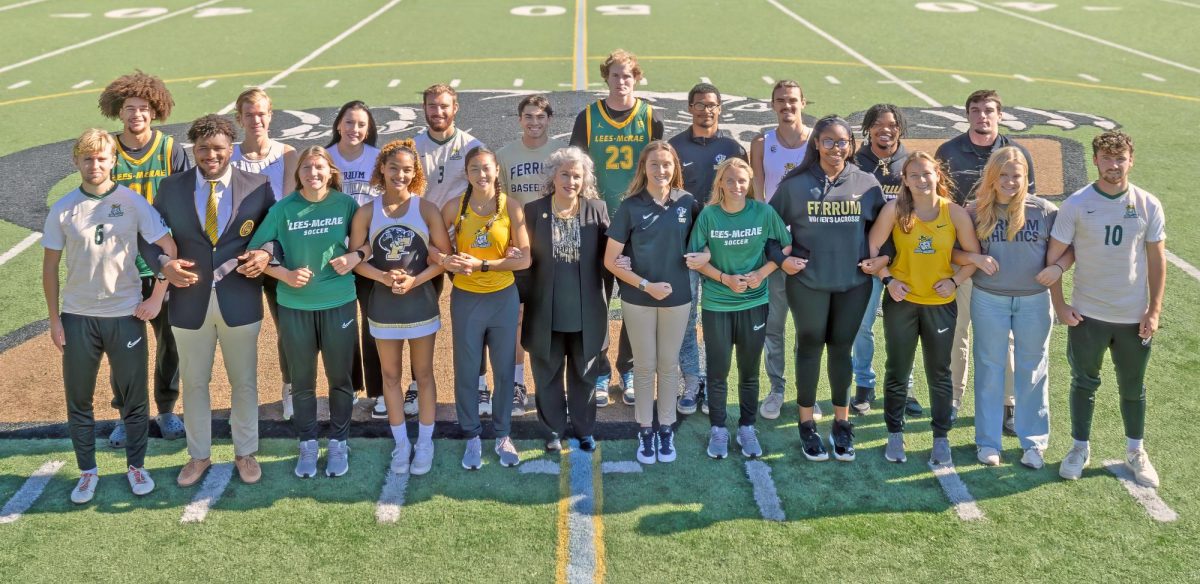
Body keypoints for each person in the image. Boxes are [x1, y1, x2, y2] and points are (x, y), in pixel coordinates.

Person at [44, 129, 177, 503]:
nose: (95, 164)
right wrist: (55, 320)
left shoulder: (132, 203)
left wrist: (158, 294)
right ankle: (87, 471)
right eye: (88, 158)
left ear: (113, 160)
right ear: (76, 162)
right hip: (78, 317)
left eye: (102, 158)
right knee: (79, 399)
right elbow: (50, 268)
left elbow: (168, 246)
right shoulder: (64, 208)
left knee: (135, 400)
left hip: (125, 315)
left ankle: (136, 465)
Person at [148, 114, 275, 488]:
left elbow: (274, 231)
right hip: (189, 300)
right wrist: (163, 263)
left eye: (218, 148)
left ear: (231, 149)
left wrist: (266, 253)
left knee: (244, 381)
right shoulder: (171, 188)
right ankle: (198, 456)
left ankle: (245, 452)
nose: (210, 155)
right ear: (194, 150)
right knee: (195, 382)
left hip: (240, 298)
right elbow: (147, 235)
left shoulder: (259, 185)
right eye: (203, 148)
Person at [1049, 131, 1164, 489]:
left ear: (1131, 160)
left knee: (1133, 387)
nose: (1114, 165)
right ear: (1095, 160)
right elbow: (1053, 259)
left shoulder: (1147, 204)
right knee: (1084, 383)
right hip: (1088, 314)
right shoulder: (1077, 203)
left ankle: (1135, 451)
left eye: (1121, 158)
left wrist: (1154, 310)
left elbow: (1157, 261)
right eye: (1107, 158)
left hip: (1133, 316)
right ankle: (1079, 448)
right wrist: (1060, 304)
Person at [766, 116, 883, 463]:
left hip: (853, 284)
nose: (836, 149)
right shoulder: (795, 184)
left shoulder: (867, 183)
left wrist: (884, 258)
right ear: (816, 143)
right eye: (829, 141)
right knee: (810, 346)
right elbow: (768, 230)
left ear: (851, 145)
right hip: (808, 284)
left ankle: (841, 424)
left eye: (843, 142)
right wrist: (781, 259)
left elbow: (887, 231)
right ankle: (806, 424)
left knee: (842, 350)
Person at [249, 145, 361, 478]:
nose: (313, 174)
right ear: (297, 174)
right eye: (306, 168)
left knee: (341, 379)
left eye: (319, 168)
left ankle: (339, 442)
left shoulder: (346, 205)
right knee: (302, 381)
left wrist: (354, 257)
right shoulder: (283, 209)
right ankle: (308, 443)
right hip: (294, 305)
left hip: (338, 301)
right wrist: (284, 274)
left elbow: (363, 246)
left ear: (331, 172)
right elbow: (255, 251)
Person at [862, 151, 980, 466]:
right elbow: (871, 249)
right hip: (902, 303)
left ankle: (940, 438)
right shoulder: (895, 210)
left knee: (939, 373)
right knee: (898, 370)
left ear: (937, 175)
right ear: (905, 180)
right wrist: (888, 279)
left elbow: (972, 256)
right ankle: (895, 433)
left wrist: (955, 282)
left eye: (926, 173)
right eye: (914, 175)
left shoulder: (954, 212)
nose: (921, 180)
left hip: (940, 305)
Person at [98, 70, 191, 447]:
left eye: (143, 108)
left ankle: (166, 409)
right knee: (123, 347)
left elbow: (186, 207)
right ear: (119, 112)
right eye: (129, 108)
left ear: (155, 112)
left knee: (171, 343)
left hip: (165, 263)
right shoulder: (108, 150)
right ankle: (127, 413)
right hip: (119, 267)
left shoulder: (170, 150)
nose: (136, 114)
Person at [955, 147, 1064, 468]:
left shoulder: (1044, 210)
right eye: (1002, 175)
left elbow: (1067, 251)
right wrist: (975, 258)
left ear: (1026, 178)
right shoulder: (974, 211)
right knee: (989, 369)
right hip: (989, 299)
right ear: (992, 176)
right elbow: (953, 253)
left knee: (1034, 369)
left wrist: (1057, 270)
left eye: (1016, 176)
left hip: (1034, 300)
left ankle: (1034, 443)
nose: (1009, 182)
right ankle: (987, 442)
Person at [935, 89, 1035, 430]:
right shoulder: (948, 151)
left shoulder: (1017, 153)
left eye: (989, 110)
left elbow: (1027, 206)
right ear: (967, 115)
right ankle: (952, 398)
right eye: (976, 110)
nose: (983, 116)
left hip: (1003, 260)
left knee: (1002, 337)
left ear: (1000, 115)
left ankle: (1008, 404)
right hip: (960, 259)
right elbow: (940, 205)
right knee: (957, 332)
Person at [349, 139, 450, 475]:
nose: (400, 175)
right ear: (382, 169)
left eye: (407, 169)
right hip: (383, 308)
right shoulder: (366, 211)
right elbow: (356, 260)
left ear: (415, 173)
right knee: (390, 377)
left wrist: (414, 281)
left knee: (423, 375)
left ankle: (425, 441)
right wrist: (381, 276)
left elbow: (443, 259)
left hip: (420, 304)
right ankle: (401, 444)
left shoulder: (427, 210)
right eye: (394, 168)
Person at [570, 49, 664, 407]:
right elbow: (577, 171)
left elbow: (661, 168)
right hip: (596, 224)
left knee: (635, 302)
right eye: (615, 75)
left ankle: (627, 367)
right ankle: (599, 371)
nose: (621, 81)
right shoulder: (589, 117)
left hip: (638, 225)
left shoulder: (651, 116)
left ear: (636, 77)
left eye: (627, 75)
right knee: (596, 300)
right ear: (605, 78)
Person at [603, 141, 700, 465]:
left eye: (667, 164)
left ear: (675, 168)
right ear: (644, 168)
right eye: (654, 164)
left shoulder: (687, 202)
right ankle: (646, 429)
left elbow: (705, 245)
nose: (661, 170)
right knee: (644, 366)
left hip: (677, 298)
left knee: (668, 364)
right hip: (638, 298)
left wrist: (706, 256)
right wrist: (646, 285)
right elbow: (611, 259)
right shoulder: (630, 206)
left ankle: (666, 427)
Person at [688, 158, 787, 459]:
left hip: (754, 303)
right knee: (718, 372)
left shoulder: (764, 212)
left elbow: (785, 248)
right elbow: (695, 259)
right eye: (729, 180)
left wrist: (761, 274)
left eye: (742, 181)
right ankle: (718, 429)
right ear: (720, 183)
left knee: (749, 372)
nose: (736, 186)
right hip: (718, 304)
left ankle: (746, 427)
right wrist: (724, 278)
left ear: (750, 183)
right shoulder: (708, 215)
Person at [439, 146, 531, 470]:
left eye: (487, 168)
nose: (482, 175)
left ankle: (503, 433)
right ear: (466, 173)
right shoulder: (454, 208)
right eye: (475, 169)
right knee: (466, 370)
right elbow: (435, 252)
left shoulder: (511, 208)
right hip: (466, 300)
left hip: (502, 298)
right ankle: (472, 435)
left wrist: (484, 265)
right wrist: (445, 259)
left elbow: (526, 258)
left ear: (496, 171)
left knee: (504, 369)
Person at [523, 147, 611, 452]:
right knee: (546, 375)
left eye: (576, 175)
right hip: (545, 311)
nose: (570, 181)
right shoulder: (533, 211)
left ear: (584, 179)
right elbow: (525, 263)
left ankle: (585, 429)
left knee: (584, 374)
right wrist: (521, 304)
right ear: (553, 176)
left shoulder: (597, 209)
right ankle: (552, 431)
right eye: (564, 174)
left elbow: (609, 259)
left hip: (587, 311)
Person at [668, 82, 748, 416]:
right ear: (689, 107)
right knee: (686, 320)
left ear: (721, 108)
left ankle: (715, 381)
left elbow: (747, 195)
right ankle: (691, 380)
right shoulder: (674, 146)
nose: (706, 110)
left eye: (712, 105)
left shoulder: (732, 147)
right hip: (684, 248)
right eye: (700, 104)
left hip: (724, 248)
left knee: (719, 320)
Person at [414, 83, 487, 414]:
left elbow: (485, 193)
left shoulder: (473, 146)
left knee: (475, 314)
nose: (437, 111)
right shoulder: (413, 147)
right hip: (421, 242)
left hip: (461, 242)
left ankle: (482, 382)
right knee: (417, 315)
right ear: (424, 108)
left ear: (455, 108)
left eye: (444, 106)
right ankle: (417, 383)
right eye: (432, 106)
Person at [229, 87, 299, 420]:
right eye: (249, 114)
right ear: (238, 118)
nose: (256, 120)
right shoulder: (227, 155)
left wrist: (263, 253)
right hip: (236, 258)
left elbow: (283, 212)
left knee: (287, 328)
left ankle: (290, 389)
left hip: (274, 254)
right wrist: (244, 253)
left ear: (270, 115)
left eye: (262, 113)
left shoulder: (287, 154)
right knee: (238, 332)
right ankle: (243, 397)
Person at [850, 104, 922, 417]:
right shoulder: (855, 162)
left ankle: (903, 387)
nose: (885, 129)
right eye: (878, 124)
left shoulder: (910, 162)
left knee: (903, 328)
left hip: (904, 260)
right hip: (865, 259)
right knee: (862, 326)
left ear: (900, 128)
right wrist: (873, 258)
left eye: (891, 124)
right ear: (868, 128)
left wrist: (890, 258)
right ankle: (864, 384)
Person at [497, 94, 567, 417]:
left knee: (553, 313)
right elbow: (502, 204)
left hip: (555, 244)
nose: (534, 122)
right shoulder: (505, 155)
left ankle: (552, 383)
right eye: (529, 116)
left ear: (549, 119)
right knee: (517, 315)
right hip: (519, 246)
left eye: (540, 117)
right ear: (519, 119)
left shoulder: (561, 154)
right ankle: (515, 382)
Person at [750, 80, 813, 422]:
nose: (787, 106)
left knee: (810, 326)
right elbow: (760, 197)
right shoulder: (762, 143)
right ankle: (776, 388)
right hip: (775, 246)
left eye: (792, 100)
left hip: (810, 245)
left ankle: (808, 391)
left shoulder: (818, 139)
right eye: (780, 101)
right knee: (773, 325)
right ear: (772, 105)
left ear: (803, 102)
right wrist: (774, 243)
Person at [326, 100, 386, 419]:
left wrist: (364, 249)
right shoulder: (326, 158)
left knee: (373, 321)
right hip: (334, 257)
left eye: (362, 124)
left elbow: (387, 206)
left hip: (370, 254)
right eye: (349, 123)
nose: (355, 129)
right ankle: (346, 389)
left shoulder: (378, 160)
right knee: (341, 325)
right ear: (339, 124)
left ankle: (378, 392)